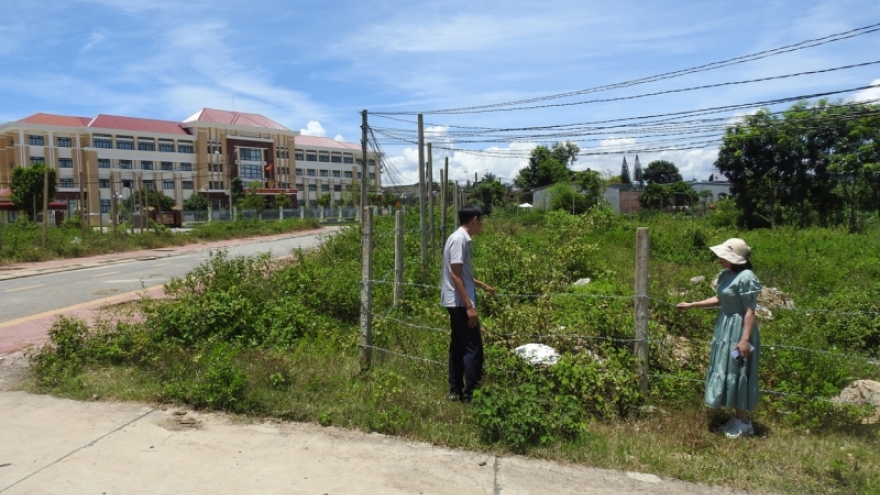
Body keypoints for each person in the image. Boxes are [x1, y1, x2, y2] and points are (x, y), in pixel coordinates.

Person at [677, 238, 762, 438]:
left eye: (724, 255)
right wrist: (693, 304)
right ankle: (737, 417)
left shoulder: (747, 277)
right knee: (727, 368)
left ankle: (744, 423)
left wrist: (744, 340)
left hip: (740, 329)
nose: (720, 258)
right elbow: (721, 299)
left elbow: (751, 310)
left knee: (738, 369)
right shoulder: (726, 274)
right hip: (725, 328)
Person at [441, 205, 496, 403]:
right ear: (474, 219)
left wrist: (482, 285)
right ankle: (470, 394)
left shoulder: (459, 238)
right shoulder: (459, 239)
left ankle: (455, 390)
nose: (481, 225)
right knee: (473, 348)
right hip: (459, 303)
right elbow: (454, 274)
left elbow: (461, 273)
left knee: (458, 345)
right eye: (481, 221)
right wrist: (469, 306)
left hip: (457, 301)